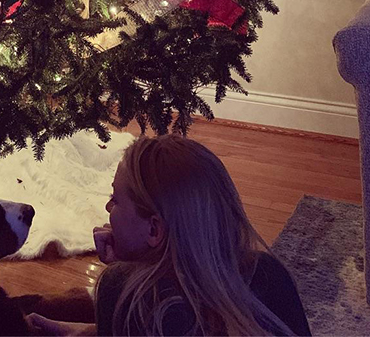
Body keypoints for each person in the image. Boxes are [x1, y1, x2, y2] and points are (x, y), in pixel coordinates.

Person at [27, 135, 311, 336]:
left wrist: (124, 270)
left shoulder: (128, 294)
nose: (107, 207)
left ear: (154, 229)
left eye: (115, 198)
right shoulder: (271, 274)